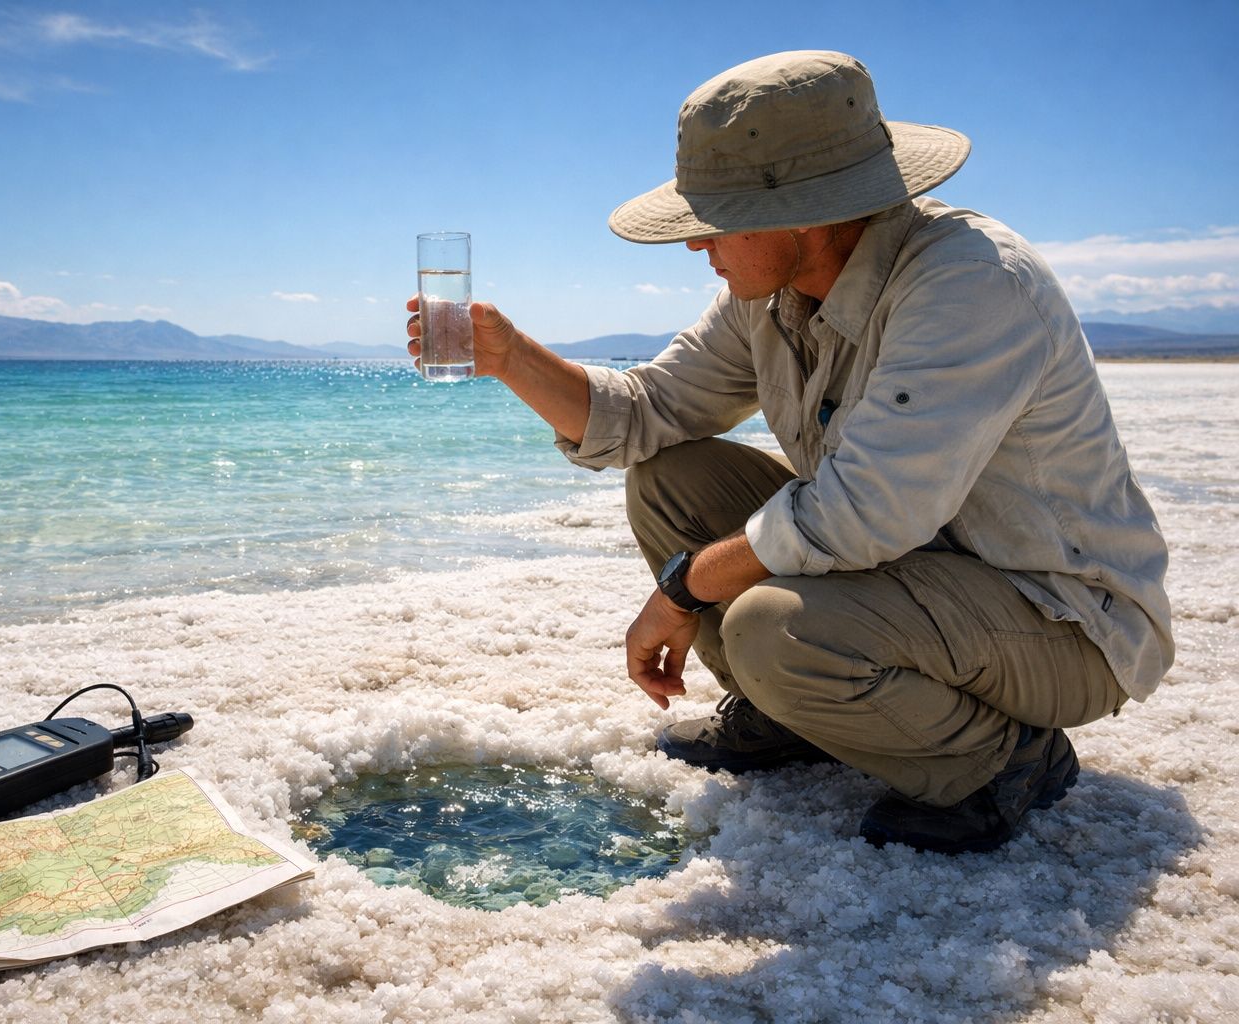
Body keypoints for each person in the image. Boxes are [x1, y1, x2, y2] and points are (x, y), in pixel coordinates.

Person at [405, 50, 1172, 854]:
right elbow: (647, 413)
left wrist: (685, 586)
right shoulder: (769, 298)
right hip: (910, 581)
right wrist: (510, 357)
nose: (696, 244)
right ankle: (793, 714)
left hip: (1061, 620)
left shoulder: (970, 284)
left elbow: (866, 511)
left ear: (805, 211)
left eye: (715, 217)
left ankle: (1005, 758)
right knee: (673, 477)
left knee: (777, 630)